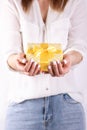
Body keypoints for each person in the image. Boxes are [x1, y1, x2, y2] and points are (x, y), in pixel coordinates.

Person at [0, 0, 87, 130]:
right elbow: (9, 52)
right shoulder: (11, 2)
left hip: (67, 107)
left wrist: (69, 60)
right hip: (23, 108)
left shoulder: (75, 2)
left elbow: (79, 46)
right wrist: (19, 63)